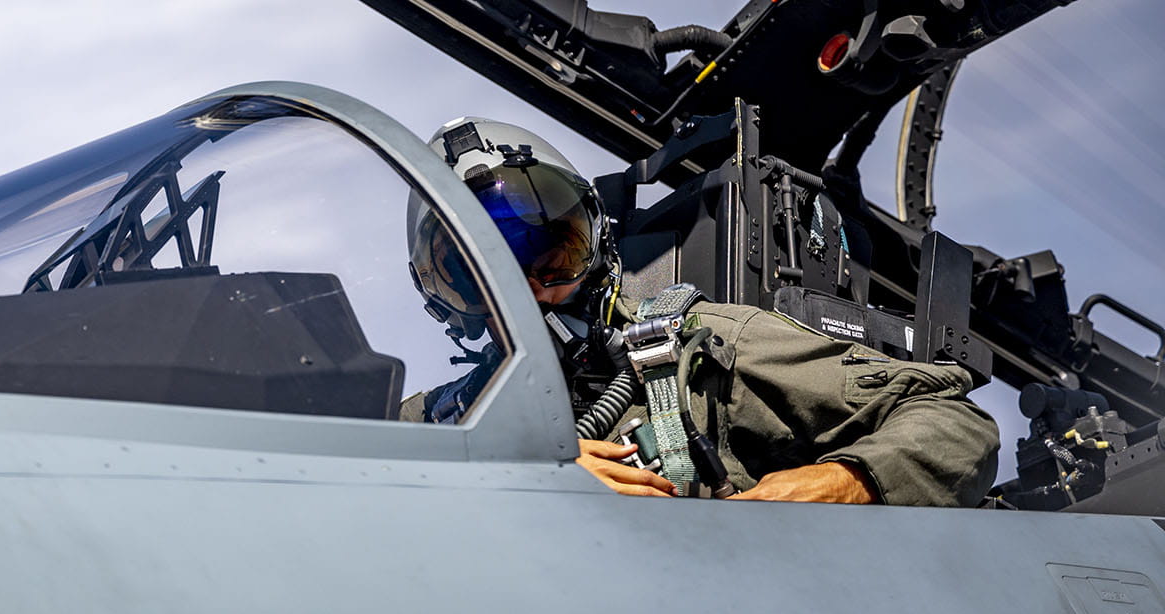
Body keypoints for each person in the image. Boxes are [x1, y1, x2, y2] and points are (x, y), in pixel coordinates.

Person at [404, 117, 999, 506]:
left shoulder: (701, 345)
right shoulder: (437, 422)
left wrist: (839, 483)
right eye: (482, 275)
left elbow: (953, 424)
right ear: (444, 298)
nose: (532, 291)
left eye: (553, 256)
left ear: (594, 241)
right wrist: (518, 471)